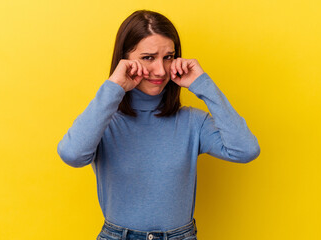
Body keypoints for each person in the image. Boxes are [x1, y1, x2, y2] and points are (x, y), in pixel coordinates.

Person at [57, 10, 260, 240]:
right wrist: (115, 87)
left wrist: (203, 84)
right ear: (124, 60)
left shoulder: (192, 122)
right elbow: (72, 155)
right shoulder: (105, 122)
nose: (161, 70)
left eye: (168, 57)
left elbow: (245, 150)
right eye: (148, 57)